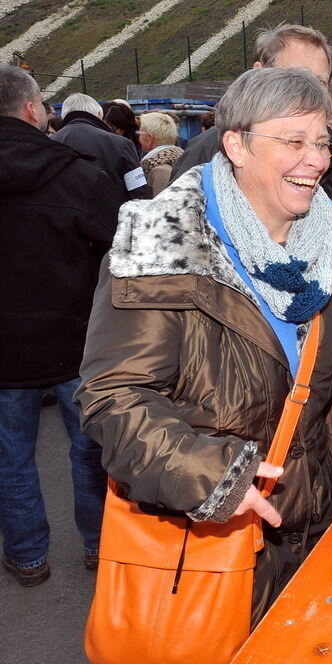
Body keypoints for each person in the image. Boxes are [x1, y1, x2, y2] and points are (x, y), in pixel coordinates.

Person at [76, 67, 332, 621]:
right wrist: (217, 479)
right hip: (204, 541)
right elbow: (114, 399)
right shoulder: (162, 248)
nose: (317, 159)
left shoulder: (320, 244)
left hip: (308, 526)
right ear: (237, 145)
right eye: (293, 141)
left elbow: (328, 387)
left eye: (322, 142)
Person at [0, 64, 119, 587]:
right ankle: (99, 545)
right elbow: (121, 248)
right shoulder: (78, 174)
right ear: (32, 110)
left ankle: (28, 557)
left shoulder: (76, 169)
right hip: (75, 337)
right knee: (90, 449)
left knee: (11, 458)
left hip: (4, 350)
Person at [169, 23, 332, 190]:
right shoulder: (210, 148)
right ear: (258, 72)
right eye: (293, 77)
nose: (308, 90)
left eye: (320, 82)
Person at [52, 93, 151, 202]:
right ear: (100, 115)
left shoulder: (49, 143)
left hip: (63, 216)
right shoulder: (121, 144)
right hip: (112, 215)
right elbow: (139, 191)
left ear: (63, 116)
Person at [138, 111, 184, 196]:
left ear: (149, 139)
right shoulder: (177, 161)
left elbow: (161, 207)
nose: (138, 136)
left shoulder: (161, 171)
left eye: (139, 133)